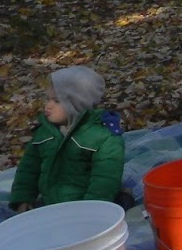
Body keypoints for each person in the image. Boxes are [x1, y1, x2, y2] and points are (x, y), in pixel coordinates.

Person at [9, 66, 126, 211]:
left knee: (118, 204)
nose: (48, 106)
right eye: (48, 99)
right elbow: (29, 167)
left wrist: (91, 210)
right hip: (52, 204)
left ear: (77, 104)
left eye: (56, 101)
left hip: (85, 205)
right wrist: (23, 197)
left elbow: (104, 179)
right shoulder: (45, 132)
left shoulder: (102, 136)